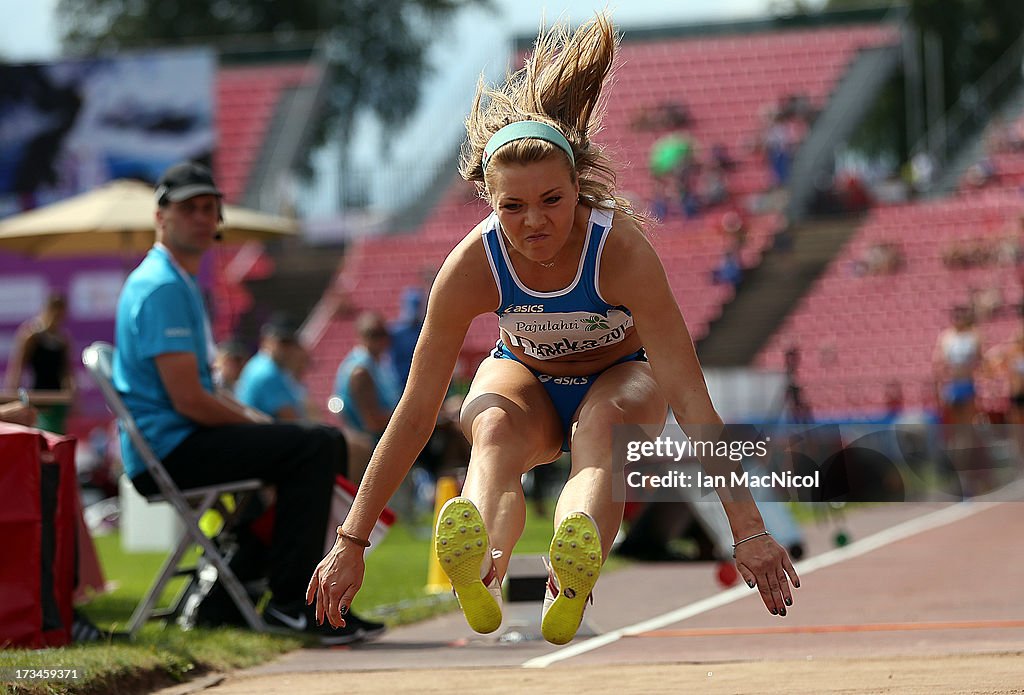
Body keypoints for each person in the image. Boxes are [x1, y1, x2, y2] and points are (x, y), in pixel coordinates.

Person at [308, 14, 799, 646]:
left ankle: (571, 572)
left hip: (623, 376)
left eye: (551, 201)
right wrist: (352, 539)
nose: (533, 221)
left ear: (580, 189)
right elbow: (415, 408)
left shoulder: (618, 250)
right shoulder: (471, 264)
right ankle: (478, 554)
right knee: (491, 429)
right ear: (488, 200)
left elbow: (689, 396)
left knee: (602, 428)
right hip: (528, 375)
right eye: (511, 206)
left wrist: (750, 529)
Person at [113, 161, 379, 645]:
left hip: (175, 444)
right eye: (188, 208)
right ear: (161, 216)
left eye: (209, 208)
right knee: (316, 446)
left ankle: (293, 600)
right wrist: (256, 421)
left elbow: (199, 395)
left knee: (311, 449)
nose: (200, 217)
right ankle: (291, 604)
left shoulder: (176, 282)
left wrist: (254, 425)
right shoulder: (162, 286)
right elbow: (190, 399)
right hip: (169, 452)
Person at [5, 293, 75, 433]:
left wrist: (73, 397)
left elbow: (66, 372)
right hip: (38, 397)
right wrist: (12, 395)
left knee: (58, 437)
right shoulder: (32, 336)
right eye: (55, 312)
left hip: (57, 399)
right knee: (41, 434)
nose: (57, 318)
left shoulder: (62, 340)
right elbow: (18, 366)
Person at [333, 312, 402, 441]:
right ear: (360, 336)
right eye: (373, 334)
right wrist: (411, 415)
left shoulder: (378, 364)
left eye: (383, 333)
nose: (380, 340)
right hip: (374, 444)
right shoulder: (360, 372)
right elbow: (373, 423)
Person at [235, 316, 308, 422]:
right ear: (267, 341)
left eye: (291, 343)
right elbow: (292, 419)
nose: (288, 348)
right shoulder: (267, 372)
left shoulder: (265, 365)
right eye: (283, 342)